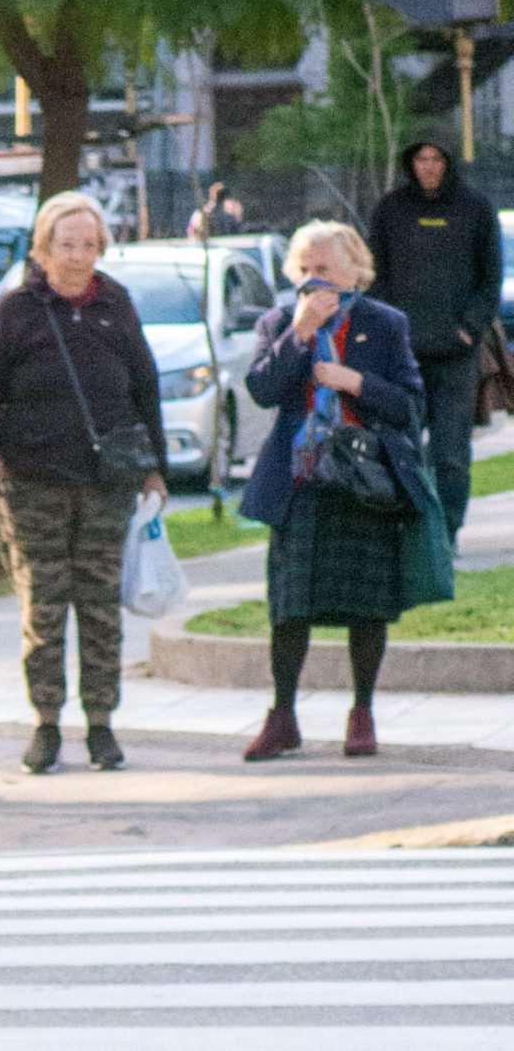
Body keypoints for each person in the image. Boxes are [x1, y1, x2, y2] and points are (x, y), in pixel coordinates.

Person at [0, 191, 167, 774]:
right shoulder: (16, 310)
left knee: (100, 605)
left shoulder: (116, 302)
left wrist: (154, 465)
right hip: (31, 480)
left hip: (106, 479)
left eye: (90, 245)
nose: (79, 256)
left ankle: (102, 724)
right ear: (43, 248)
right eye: (67, 245)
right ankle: (45, 723)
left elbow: (144, 384)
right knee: (43, 607)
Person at [239, 221, 436, 761]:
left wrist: (355, 383)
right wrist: (298, 335)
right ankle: (282, 715)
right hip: (301, 481)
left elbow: (412, 406)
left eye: (323, 269)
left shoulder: (385, 324)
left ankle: (362, 710)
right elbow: (261, 390)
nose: (312, 280)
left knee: (366, 607)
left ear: (355, 271)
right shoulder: (280, 321)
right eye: (303, 269)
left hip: (362, 481)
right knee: (289, 608)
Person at [366, 136, 501, 546]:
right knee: (399, 446)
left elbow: (490, 277)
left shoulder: (475, 209)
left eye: (436, 158)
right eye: (421, 159)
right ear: (410, 163)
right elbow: (375, 274)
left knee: (450, 453)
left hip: (455, 355)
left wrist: (469, 328)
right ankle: (404, 528)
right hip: (401, 355)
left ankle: (446, 531)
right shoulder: (391, 210)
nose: (428, 166)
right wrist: (388, 329)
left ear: (448, 161)